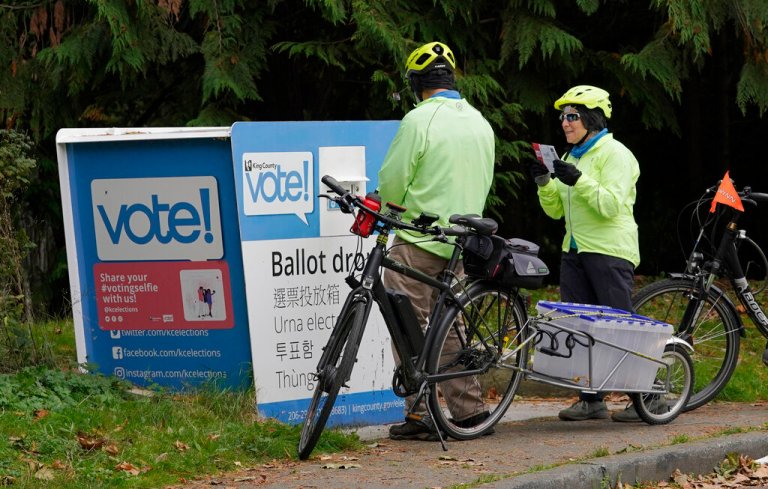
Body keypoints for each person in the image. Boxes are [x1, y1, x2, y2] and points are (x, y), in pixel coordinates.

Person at [377, 41, 496, 440]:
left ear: (417, 83)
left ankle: (419, 413)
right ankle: (470, 412)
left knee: (406, 324)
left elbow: (393, 181)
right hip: (463, 242)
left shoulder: (418, 120)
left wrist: (389, 208)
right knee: (452, 327)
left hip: (419, 238)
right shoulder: (480, 121)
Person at [527, 85, 646, 422]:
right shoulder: (570, 157)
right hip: (574, 250)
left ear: (592, 119)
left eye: (572, 116)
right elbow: (555, 212)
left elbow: (609, 205)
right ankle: (591, 399)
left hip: (610, 251)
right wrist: (544, 184)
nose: (565, 123)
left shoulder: (616, 154)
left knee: (620, 328)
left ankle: (646, 401)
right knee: (579, 328)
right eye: (562, 117)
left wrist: (578, 180)